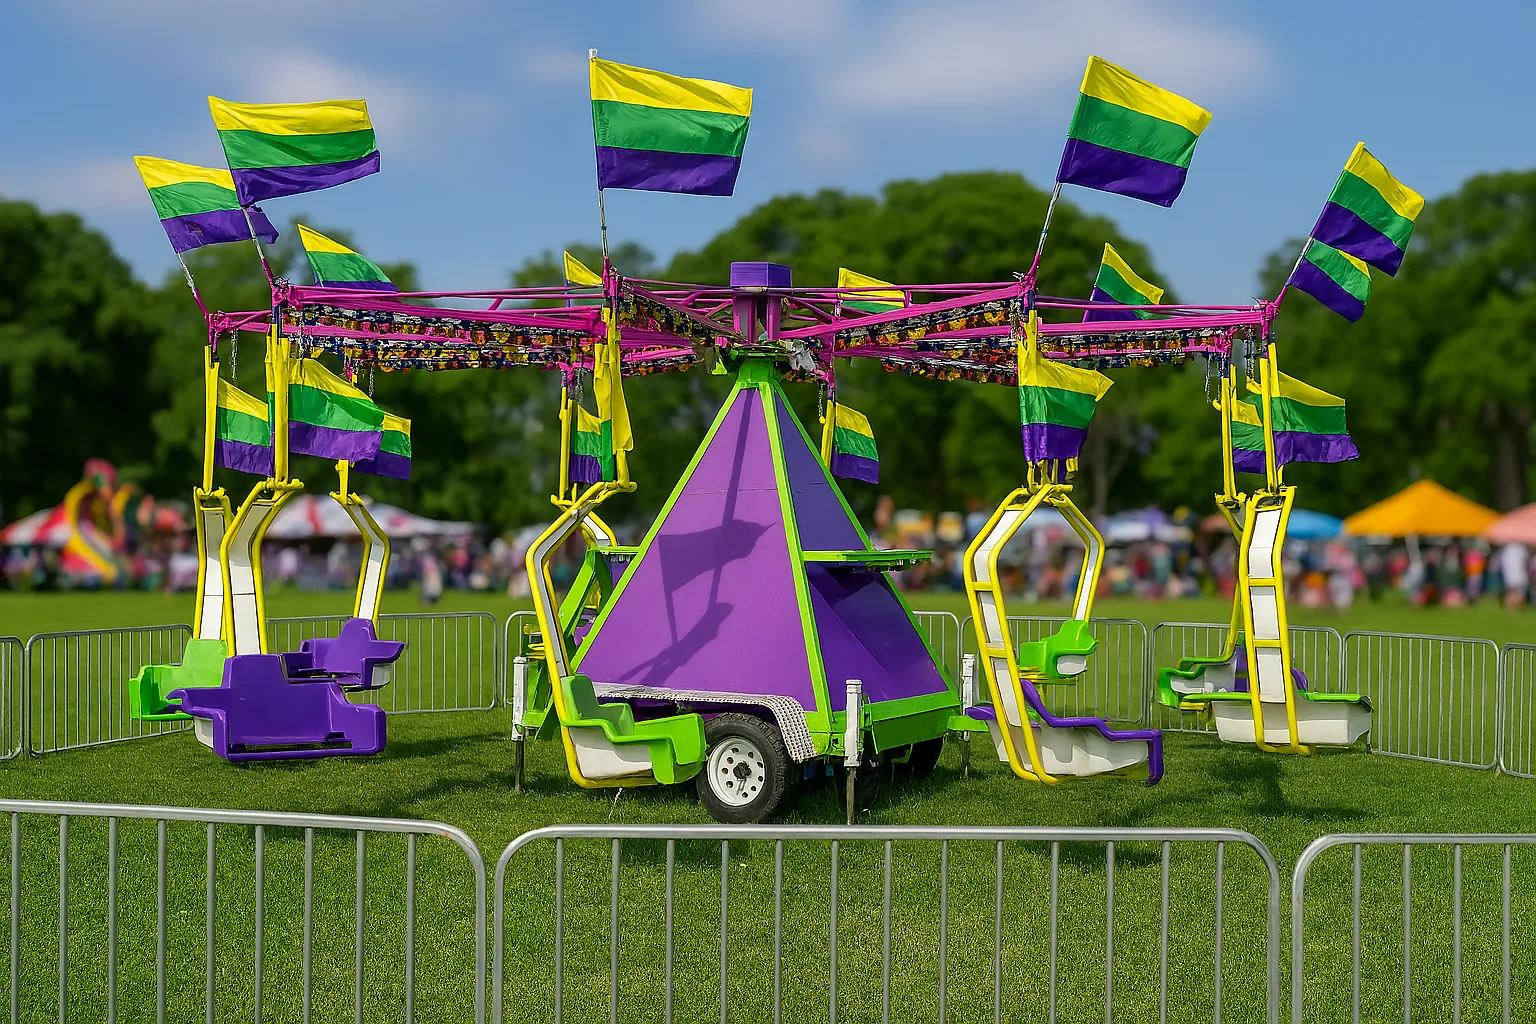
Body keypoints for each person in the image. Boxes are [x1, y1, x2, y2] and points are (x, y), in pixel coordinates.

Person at [1499, 542, 1529, 609]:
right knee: (1518, 592)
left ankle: (1511, 607)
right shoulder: (1521, 549)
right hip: (1519, 575)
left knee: (1511, 592)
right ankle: (1514, 606)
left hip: (1510, 575)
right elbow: (1526, 560)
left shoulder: (1506, 549)